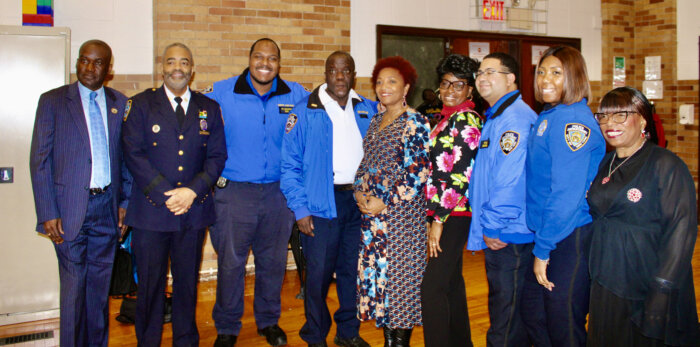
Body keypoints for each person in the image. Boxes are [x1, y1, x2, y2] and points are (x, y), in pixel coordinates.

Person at [205, 38, 309, 347]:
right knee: (231, 262)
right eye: (259, 57)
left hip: (278, 194)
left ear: (279, 62)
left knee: (273, 261)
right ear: (249, 59)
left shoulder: (297, 94)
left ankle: (268, 321)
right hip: (234, 192)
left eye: (272, 58)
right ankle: (226, 326)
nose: (265, 63)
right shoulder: (221, 92)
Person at [121, 42, 227, 347]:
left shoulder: (209, 108)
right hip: (152, 213)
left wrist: (192, 192)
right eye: (171, 62)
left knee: (187, 284)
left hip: (192, 213)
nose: (177, 68)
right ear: (162, 68)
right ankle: (148, 341)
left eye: (184, 63)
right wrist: (167, 194)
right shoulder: (140, 104)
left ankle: (185, 341)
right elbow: (133, 153)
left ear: (192, 71)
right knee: (150, 287)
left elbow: (217, 156)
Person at [29, 39, 131, 347]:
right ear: (77, 62)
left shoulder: (120, 102)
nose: (89, 67)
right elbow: (39, 160)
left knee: (99, 294)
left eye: (97, 62)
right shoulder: (53, 101)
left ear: (108, 69)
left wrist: (125, 203)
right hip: (68, 210)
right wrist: (47, 212)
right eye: (84, 60)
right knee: (73, 291)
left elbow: (126, 158)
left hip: (107, 209)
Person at [587, 87, 699, 346]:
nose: (609, 124)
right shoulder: (606, 162)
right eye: (603, 116)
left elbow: (681, 232)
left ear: (643, 119)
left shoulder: (665, 165)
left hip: (646, 283)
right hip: (607, 279)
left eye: (620, 115)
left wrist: (661, 290)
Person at [280, 51, 375, 347]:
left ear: (353, 74)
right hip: (320, 204)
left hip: (356, 204)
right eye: (333, 70)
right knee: (318, 276)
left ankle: (348, 333)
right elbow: (289, 166)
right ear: (325, 73)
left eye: (345, 70)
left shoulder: (367, 109)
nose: (339, 76)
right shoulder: (305, 111)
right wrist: (300, 209)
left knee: (351, 272)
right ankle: (315, 335)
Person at [521, 45, 605, 346]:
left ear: (575, 77)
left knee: (563, 322)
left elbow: (565, 195)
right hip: (549, 231)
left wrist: (543, 249)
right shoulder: (551, 115)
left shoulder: (573, 121)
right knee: (533, 313)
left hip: (570, 234)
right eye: (541, 71)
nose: (546, 79)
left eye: (557, 73)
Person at [354, 56, 431, 347]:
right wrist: (360, 193)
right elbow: (366, 166)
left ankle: (399, 343)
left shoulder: (416, 122)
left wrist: (384, 203)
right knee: (382, 284)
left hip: (401, 220)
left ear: (406, 87)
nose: (384, 87)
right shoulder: (375, 120)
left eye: (392, 81)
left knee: (400, 285)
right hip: (373, 220)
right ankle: (389, 341)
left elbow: (417, 174)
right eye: (379, 82)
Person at [467, 52, 537, 347]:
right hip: (503, 230)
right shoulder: (498, 116)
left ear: (510, 79)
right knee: (508, 311)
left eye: (491, 72)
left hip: (510, 234)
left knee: (506, 317)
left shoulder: (514, 120)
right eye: (480, 73)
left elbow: (510, 179)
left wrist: (494, 225)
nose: (482, 78)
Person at [421, 53, 482, 347]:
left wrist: (438, 221)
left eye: (458, 85)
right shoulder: (447, 118)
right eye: (445, 84)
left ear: (470, 89)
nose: (449, 91)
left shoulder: (467, 119)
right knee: (452, 285)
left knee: (431, 289)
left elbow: (459, 175)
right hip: (442, 213)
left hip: (453, 214)